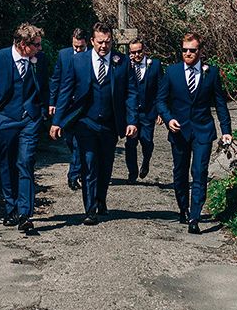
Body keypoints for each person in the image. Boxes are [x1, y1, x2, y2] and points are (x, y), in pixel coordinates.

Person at [49, 23, 138, 225]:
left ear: (111, 41)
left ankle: (101, 199)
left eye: (107, 42)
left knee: (105, 165)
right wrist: (58, 121)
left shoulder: (122, 62)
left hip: (109, 123)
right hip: (85, 122)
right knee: (89, 163)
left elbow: (131, 93)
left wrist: (132, 120)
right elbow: (65, 91)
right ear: (92, 41)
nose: (103, 46)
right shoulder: (78, 60)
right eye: (100, 42)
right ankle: (90, 210)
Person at [157, 32, 232, 235]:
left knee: (199, 172)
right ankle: (184, 208)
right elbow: (161, 100)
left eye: (192, 50)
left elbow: (220, 103)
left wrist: (226, 130)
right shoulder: (172, 72)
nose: (188, 54)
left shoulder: (212, 73)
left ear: (200, 51)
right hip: (179, 131)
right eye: (185, 50)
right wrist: (168, 118)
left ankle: (194, 217)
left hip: (202, 131)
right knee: (180, 172)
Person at [0, 23, 49, 232]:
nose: (39, 49)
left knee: (25, 162)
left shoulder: (39, 60)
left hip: (30, 119)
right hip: (5, 119)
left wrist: (43, 112)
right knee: (7, 164)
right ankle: (11, 209)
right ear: (23, 44)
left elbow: (44, 88)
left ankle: (25, 213)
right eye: (36, 45)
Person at [49, 28, 89, 191]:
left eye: (81, 47)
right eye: (75, 46)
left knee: (78, 142)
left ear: (87, 42)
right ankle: (80, 165)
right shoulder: (64, 55)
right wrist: (52, 102)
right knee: (69, 140)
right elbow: (56, 79)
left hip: (84, 106)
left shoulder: (92, 56)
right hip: (66, 105)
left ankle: (73, 175)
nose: (78, 50)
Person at [125, 38, 163, 183]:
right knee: (130, 143)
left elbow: (161, 90)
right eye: (133, 52)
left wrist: (160, 111)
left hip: (148, 112)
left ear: (144, 50)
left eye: (139, 51)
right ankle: (132, 172)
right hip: (131, 113)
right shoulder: (126, 65)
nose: (137, 55)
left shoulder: (155, 65)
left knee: (147, 141)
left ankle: (146, 162)